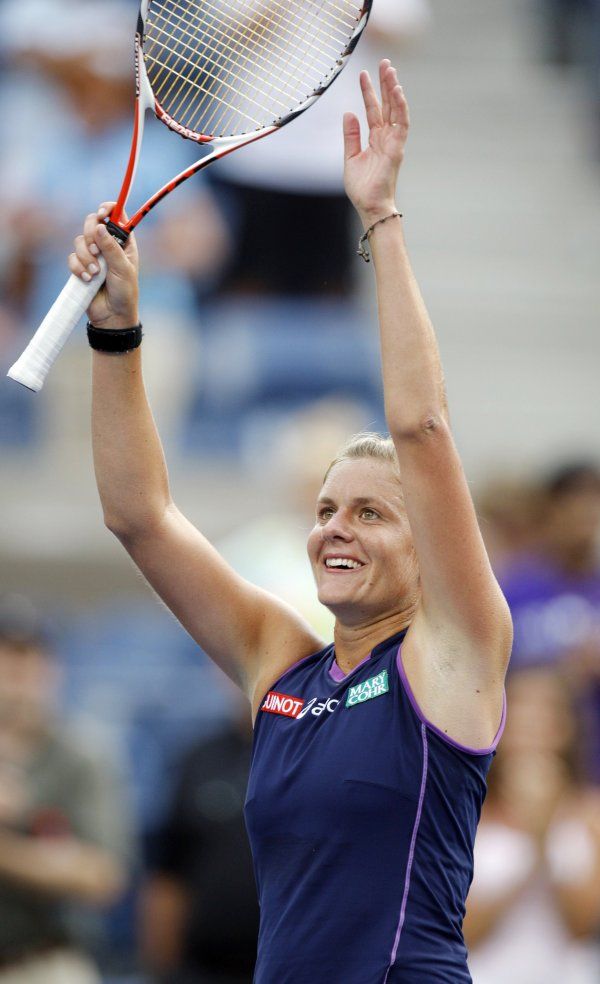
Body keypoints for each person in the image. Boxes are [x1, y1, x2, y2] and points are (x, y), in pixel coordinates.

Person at [68, 61, 511, 982]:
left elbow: (421, 426)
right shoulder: (282, 663)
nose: (334, 529)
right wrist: (118, 329)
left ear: (427, 549)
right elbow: (140, 516)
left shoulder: (456, 656)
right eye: (322, 511)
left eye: (369, 513)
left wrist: (380, 218)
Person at [0, 612, 133, 984]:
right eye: (7, 659)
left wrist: (7, 850)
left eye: (30, 660)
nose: (17, 676)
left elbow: (103, 877)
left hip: (39, 960)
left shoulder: (80, 756)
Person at [464, 669, 600, 983]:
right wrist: (531, 845)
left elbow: (582, 926)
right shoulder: (468, 813)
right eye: (523, 716)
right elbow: (463, 930)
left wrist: (543, 835)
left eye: (547, 715)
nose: (535, 728)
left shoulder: (590, 813)